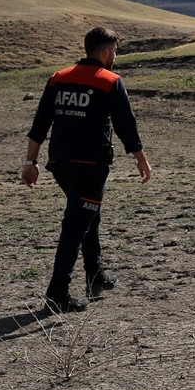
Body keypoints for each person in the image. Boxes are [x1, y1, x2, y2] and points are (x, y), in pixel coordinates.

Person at [20, 26, 152, 312]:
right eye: (115, 51)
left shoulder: (59, 78)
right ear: (105, 52)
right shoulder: (109, 81)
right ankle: (57, 294)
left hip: (60, 165)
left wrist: (30, 162)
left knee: (88, 215)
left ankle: (96, 274)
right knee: (76, 224)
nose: (115, 56)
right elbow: (126, 126)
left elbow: (40, 124)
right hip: (90, 165)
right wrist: (141, 158)